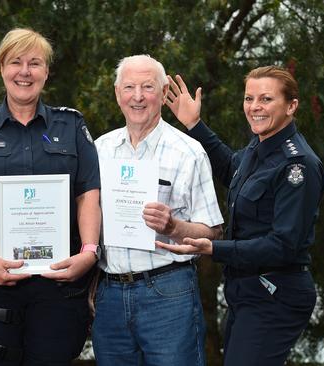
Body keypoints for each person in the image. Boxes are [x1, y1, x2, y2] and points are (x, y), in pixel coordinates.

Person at [0, 28, 101, 365]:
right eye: (16, 62)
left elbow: (88, 195)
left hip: (59, 282)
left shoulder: (71, 125)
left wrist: (89, 252)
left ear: (46, 71)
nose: (25, 72)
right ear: (2, 68)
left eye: (35, 63)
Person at [159, 66, 324, 365]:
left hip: (276, 293)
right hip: (245, 290)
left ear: (291, 106)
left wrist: (213, 248)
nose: (255, 107)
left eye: (266, 99)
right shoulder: (258, 147)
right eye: (249, 98)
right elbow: (229, 169)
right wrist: (194, 125)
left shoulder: (297, 166)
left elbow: (283, 246)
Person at [91, 55, 224, 366]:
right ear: (116, 93)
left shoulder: (189, 152)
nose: (137, 97)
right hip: (109, 292)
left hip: (168, 292)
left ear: (164, 94)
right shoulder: (98, 150)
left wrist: (174, 227)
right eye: (129, 87)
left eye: (148, 87)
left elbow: (214, 231)